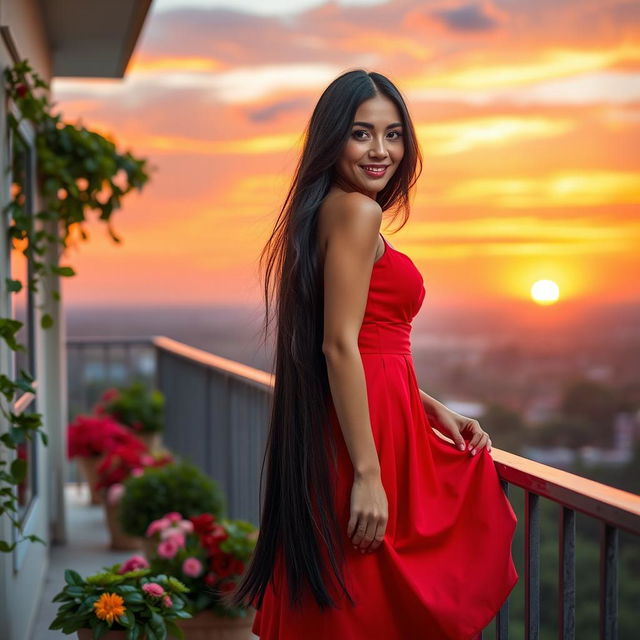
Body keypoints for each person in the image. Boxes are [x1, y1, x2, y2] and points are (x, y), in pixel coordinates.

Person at [223, 69, 518, 639]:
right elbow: (338, 345)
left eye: (393, 134)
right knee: (370, 595)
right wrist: (367, 472)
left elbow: (365, 342)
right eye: (361, 134)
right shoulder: (357, 212)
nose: (380, 150)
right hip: (367, 434)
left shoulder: (325, 208)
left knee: (353, 596)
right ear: (332, 139)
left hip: (371, 414)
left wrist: (431, 407)